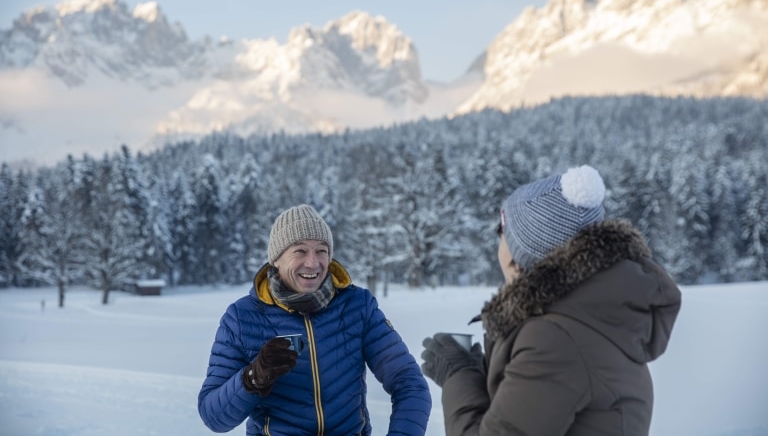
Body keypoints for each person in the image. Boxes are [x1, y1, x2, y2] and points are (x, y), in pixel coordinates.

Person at [421, 165, 682, 435]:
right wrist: (480, 374)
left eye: (502, 235)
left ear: (516, 260)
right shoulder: (591, 318)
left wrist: (458, 376)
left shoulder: (556, 339)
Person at [198, 204, 431, 435]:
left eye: (321, 250)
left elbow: (409, 383)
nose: (313, 263)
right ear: (276, 259)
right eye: (300, 250)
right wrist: (252, 378)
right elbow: (213, 417)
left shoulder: (356, 306)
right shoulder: (242, 317)